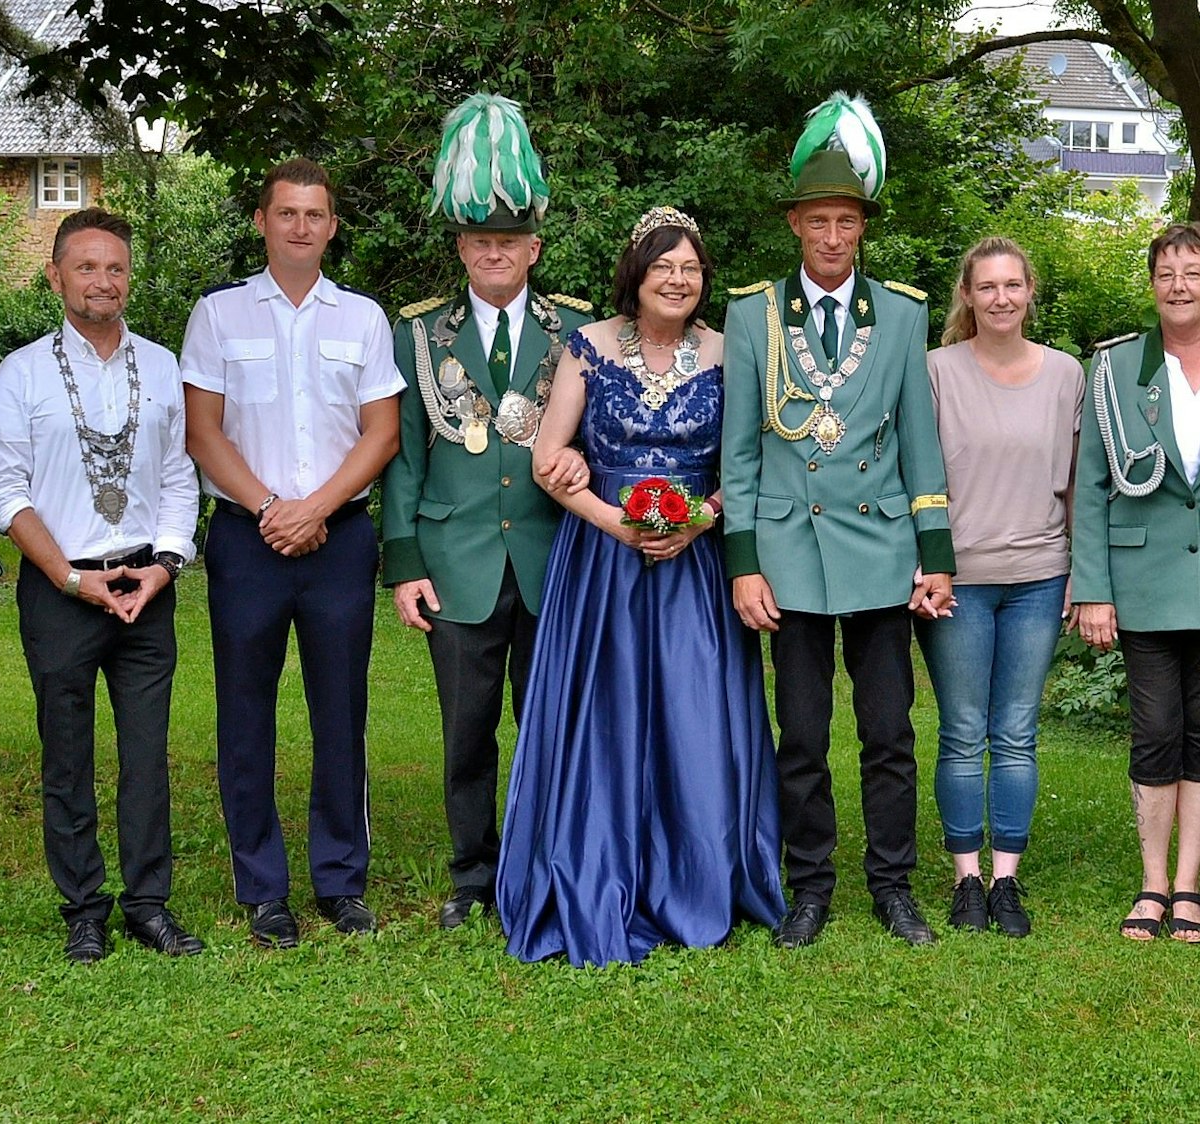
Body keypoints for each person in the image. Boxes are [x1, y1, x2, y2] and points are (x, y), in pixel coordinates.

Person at [496, 206, 785, 966]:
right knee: (606, 713)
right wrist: (613, 522)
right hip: (602, 561)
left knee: (693, 717)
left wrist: (701, 519)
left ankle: (695, 878)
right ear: (638, 273)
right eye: (664, 267)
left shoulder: (729, 352)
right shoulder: (585, 349)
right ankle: (596, 870)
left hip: (691, 563)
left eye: (690, 269)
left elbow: (746, 467)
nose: (678, 280)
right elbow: (547, 458)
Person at [722, 93, 955, 948]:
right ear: (794, 224)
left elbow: (921, 451)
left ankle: (892, 886)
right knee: (805, 736)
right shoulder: (751, 315)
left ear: (862, 228)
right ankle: (809, 885)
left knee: (889, 732)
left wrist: (936, 559)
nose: (831, 236)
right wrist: (743, 563)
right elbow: (739, 454)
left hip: (882, 550)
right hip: (787, 552)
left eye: (845, 221)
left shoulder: (900, 313)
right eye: (817, 220)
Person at [379, 95, 594, 931]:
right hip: (457, 565)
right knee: (466, 736)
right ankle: (472, 876)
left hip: (552, 562)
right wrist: (405, 565)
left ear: (533, 248)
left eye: (508, 240)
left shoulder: (576, 330)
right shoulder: (419, 336)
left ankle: (546, 866)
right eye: (479, 240)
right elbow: (403, 456)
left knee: (550, 730)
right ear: (461, 248)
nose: (494, 252)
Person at [180, 158, 404, 947]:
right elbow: (201, 430)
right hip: (248, 538)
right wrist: (273, 508)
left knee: (339, 713)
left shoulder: (364, 320)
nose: (301, 226)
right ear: (262, 221)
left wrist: (317, 508)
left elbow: (383, 432)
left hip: (338, 539)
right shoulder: (218, 316)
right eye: (286, 213)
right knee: (246, 716)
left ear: (332, 226)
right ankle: (263, 888)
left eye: (315, 214)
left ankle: (341, 882)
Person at [0, 208, 207, 964]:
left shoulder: (162, 363)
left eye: (114, 267)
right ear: (55, 276)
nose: (102, 280)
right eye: (85, 266)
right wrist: (68, 577)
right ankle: (84, 908)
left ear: (128, 278)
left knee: (147, 754)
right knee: (66, 755)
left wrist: (168, 563)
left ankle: (149, 905)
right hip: (61, 584)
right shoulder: (21, 372)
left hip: (145, 582)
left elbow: (179, 473)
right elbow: (5, 489)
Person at [1070, 222, 1200, 944]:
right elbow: (1091, 483)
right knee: (1155, 727)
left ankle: (1188, 885)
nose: (1179, 286)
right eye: (1166, 273)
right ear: (1152, 284)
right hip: (1140, 577)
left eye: (1193, 272)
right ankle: (1151, 882)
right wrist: (1092, 588)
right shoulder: (1114, 369)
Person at [916, 237, 1081, 938]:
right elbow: (914, 477)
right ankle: (966, 880)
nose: (1001, 298)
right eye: (987, 287)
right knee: (960, 733)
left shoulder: (1066, 375)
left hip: (1039, 578)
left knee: (1015, 733)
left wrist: (1082, 575)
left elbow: (1077, 484)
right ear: (967, 296)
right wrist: (922, 567)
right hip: (958, 582)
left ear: (1029, 292)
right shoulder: (934, 372)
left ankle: (1006, 879)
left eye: (1012, 285)